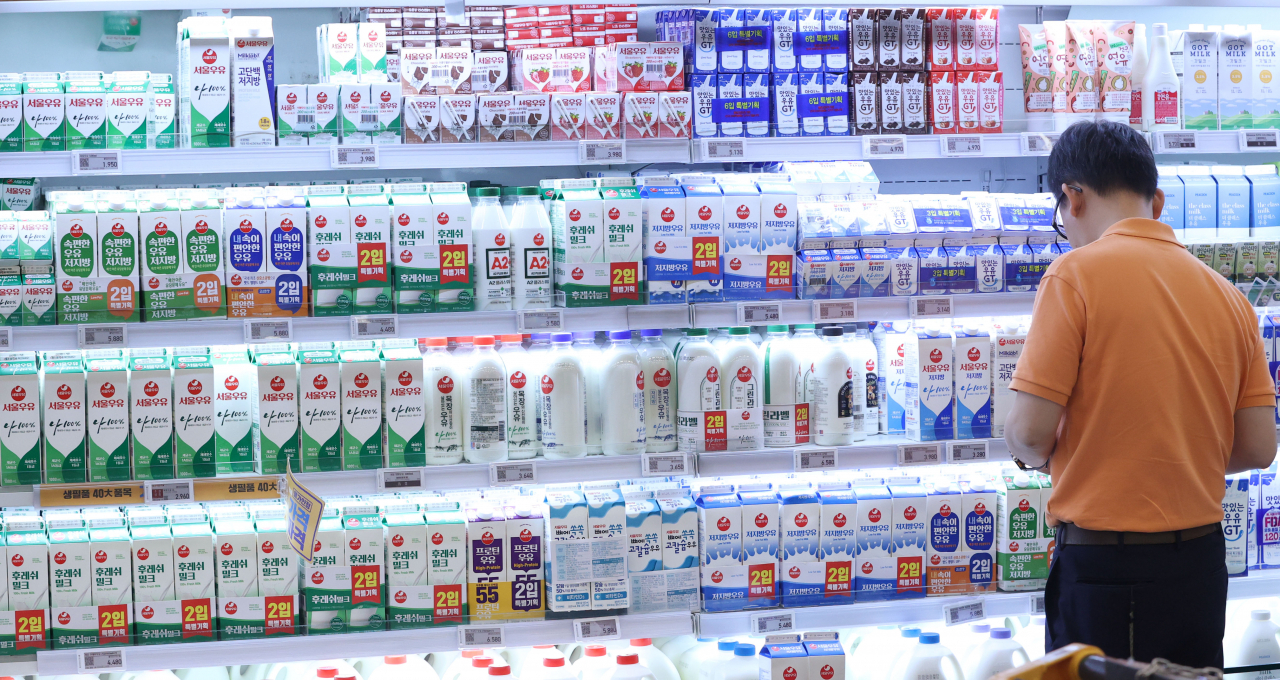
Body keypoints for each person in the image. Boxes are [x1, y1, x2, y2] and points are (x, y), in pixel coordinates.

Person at [1003, 120, 1277, 667]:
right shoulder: (1230, 298)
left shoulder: (1074, 276)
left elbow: (1031, 435)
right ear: (1156, 200)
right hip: (1200, 566)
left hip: (1106, 570)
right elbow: (1257, 448)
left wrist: (1037, 453)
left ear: (1072, 197)